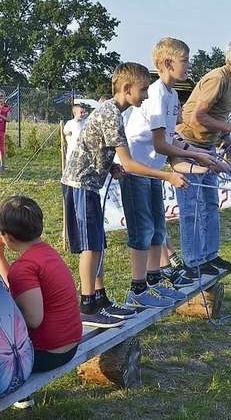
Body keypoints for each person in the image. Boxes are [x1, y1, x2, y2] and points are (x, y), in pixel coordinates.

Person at [61, 62, 188, 328]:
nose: (145, 95)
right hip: (80, 185)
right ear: (127, 88)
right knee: (91, 247)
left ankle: (100, 299)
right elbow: (131, 164)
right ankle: (87, 304)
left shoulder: (114, 113)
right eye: (142, 90)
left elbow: (99, 149)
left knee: (98, 244)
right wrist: (168, 176)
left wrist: (111, 166)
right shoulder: (111, 113)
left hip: (90, 184)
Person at [121, 38, 220, 309]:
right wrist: (195, 155)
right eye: (185, 61)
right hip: (137, 171)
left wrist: (204, 155)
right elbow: (159, 144)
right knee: (141, 233)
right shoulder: (154, 94)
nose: (189, 66)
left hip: (153, 171)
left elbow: (172, 138)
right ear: (167, 63)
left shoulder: (173, 94)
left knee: (156, 230)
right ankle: (137, 289)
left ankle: (154, 284)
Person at [174, 39, 231, 276]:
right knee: (191, 207)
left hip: (207, 146)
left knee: (210, 204)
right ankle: (192, 262)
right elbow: (197, 116)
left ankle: (209, 256)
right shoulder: (218, 78)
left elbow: (214, 116)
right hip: (188, 146)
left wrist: (224, 138)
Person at [0, 196, 82, 374]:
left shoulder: (23, 267)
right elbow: (19, 287)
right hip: (70, 344)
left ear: (9, 237)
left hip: (46, 353)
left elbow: (33, 319)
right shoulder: (46, 252)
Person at [0, 90, 11, 172]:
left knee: (2, 149)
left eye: (1, 97)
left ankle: (2, 166)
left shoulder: (7, 108)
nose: (0, 98)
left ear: (4, 98)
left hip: (1, 131)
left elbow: (8, 119)